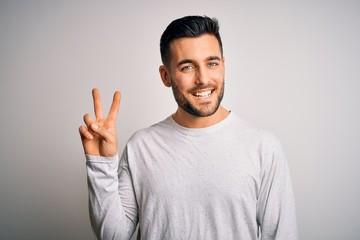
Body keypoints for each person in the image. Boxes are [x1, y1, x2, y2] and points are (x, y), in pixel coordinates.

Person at [79, 15, 298, 240]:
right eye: (187, 67)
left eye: (212, 63)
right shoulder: (141, 146)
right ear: (166, 76)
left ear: (223, 65)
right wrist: (101, 165)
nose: (203, 79)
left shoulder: (263, 147)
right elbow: (112, 236)